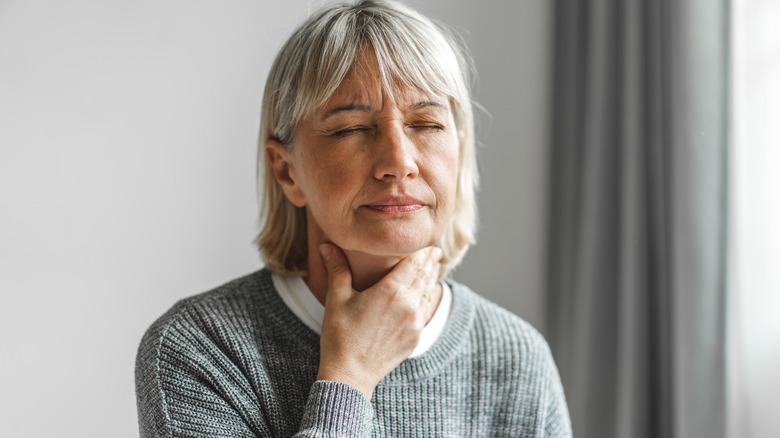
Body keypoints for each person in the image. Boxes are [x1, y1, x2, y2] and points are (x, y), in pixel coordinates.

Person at [135, 0, 572, 436]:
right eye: (351, 129)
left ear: (459, 150)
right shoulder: (199, 348)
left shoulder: (516, 358)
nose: (399, 162)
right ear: (287, 171)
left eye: (425, 124)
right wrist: (350, 375)